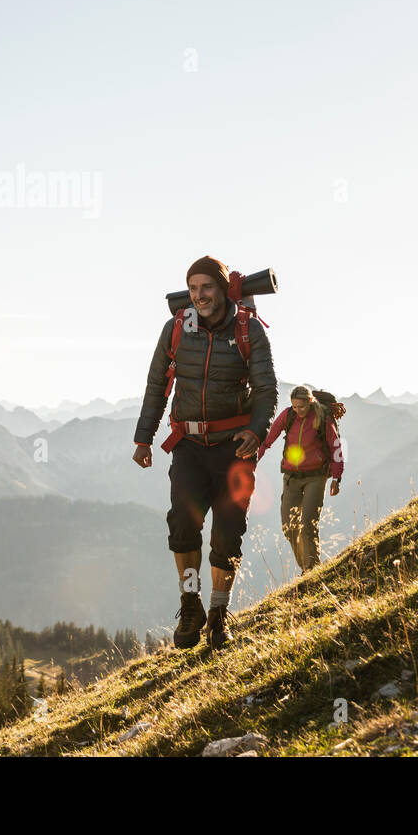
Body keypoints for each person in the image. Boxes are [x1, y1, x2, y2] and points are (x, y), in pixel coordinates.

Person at [131, 256, 278, 649]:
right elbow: (155, 385)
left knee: (228, 535)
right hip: (190, 447)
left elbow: (266, 390)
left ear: (223, 287)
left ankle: (217, 613)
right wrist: (143, 437)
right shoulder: (177, 328)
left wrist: (256, 431)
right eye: (193, 289)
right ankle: (191, 603)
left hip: (235, 448)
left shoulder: (249, 330)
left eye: (206, 287)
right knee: (182, 526)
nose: (199, 296)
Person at [261, 386, 344, 576]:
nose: (298, 411)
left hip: (316, 477)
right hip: (291, 478)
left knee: (308, 524)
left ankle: (312, 570)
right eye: (294, 407)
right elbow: (268, 440)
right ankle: (305, 567)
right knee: (288, 527)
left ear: (311, 402)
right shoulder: (288, 415)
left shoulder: (323, 418)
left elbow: (337, 448)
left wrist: (337, 478)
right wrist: (251, 461)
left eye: (302, 407)